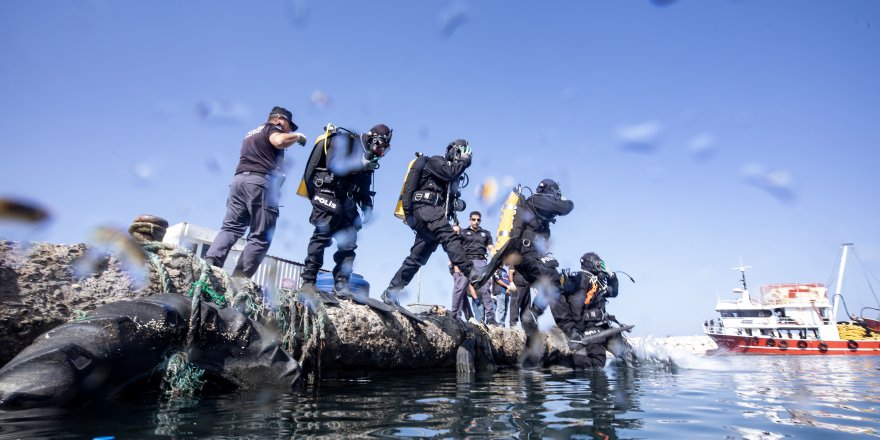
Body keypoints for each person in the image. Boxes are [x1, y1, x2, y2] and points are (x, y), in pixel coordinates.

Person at [204, 106, 307, 277]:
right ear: (280, 119)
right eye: (289, 126)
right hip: (260, 184)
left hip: (238, 183)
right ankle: (239, 280)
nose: (289, 130)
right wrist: (297, 136)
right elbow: (278, 140)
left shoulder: (251, 133)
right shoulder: (272, 128)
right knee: (261, 235)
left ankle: (210, 264)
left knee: (230, 228)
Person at [298, 124, 392, 295]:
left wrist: (367, 204)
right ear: (373, 138)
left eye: (385, 149)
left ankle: (341, 284)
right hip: (327, 193)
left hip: (347, 200)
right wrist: (360, 163)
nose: (381, 152)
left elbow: (363, 185)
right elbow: (334, 164)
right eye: (381, 146)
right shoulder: (346, 141)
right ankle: (308, 281)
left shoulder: (369, 157)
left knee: (349, 244)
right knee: (321, 237)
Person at [477, 179, 573, 337]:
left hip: (522, 255)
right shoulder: (538, 199)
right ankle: (569, 332)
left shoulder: (535, 205)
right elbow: (566, 207)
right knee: (552, 280)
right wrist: (564, 200)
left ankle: (532, 318)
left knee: (548, 285)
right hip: (526, 252)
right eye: (556, 194)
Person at [383, 139, 473, 305]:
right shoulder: (436, 161)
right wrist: (465, 161)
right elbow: (450, 172)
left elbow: (449, 200)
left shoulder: (449, 179)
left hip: (431, 215)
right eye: (462, 151)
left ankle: (391, 292)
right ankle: (472, 273)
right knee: (449, 238)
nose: (465, 155)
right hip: (426, 209)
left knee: (417, 258)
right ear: (454, 151)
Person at [551, 252, 633, 368]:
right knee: (597, 363)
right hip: (588, 328)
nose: (600, 268)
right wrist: (577, 333)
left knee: (628, 354)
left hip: (603, 326)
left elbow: (612, 292)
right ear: (590, 264)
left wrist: (612, 277)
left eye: (602, 265)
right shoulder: (579, 279)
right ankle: (559, 362)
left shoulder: (596, 281)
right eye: (599, 265)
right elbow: (575, 306)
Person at [450, 211, 496, 324]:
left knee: (485, 289)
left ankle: (490, 317)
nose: (476, 221)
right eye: (474, 219)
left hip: (481, 261)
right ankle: (454, 314)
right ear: (469, 220)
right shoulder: (463, 232)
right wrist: (455, 264)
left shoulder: (485, 233)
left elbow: (491, 248)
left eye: (478, 220)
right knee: (460, 288)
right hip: (466, 262)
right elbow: (456, 248)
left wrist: (496, 260)